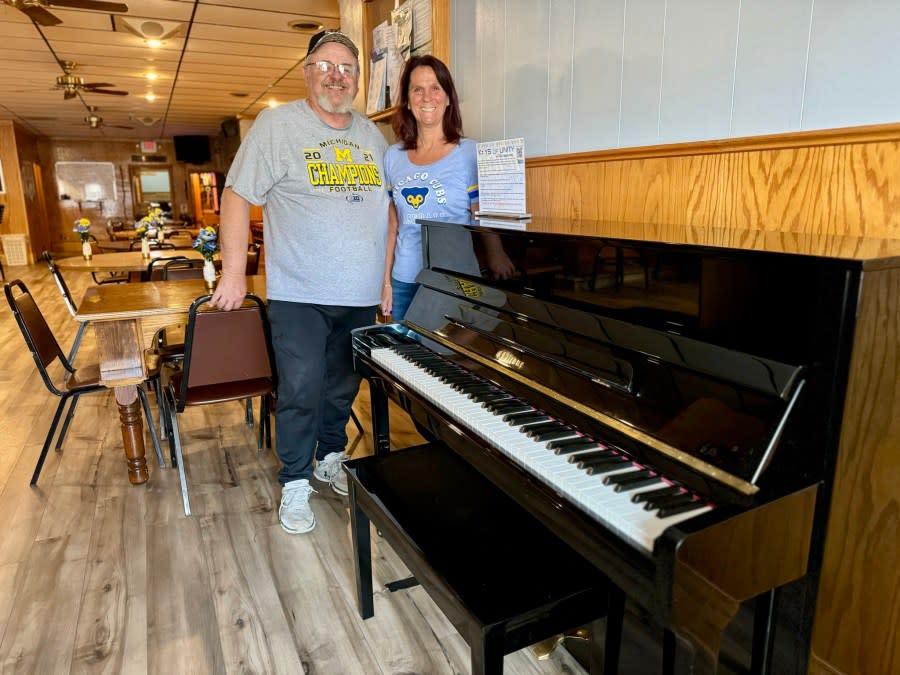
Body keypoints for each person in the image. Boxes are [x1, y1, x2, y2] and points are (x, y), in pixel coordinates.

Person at [211, 30, 390, 535]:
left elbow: (388, 212)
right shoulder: (276, 125)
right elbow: (237, 194)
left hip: (357, 295)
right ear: (307, 72)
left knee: (341, 388)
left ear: (357, 79)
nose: (337, 75)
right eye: (326, 65)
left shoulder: (372, 137)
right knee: (302, 388)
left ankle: (330, 457)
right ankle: (294, 480)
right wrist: (233, 272)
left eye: (347, 68)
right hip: (300, 294)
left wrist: (384, 281)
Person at [381, 55, 515, 321]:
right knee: (403, 360)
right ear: (407, 101)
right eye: (417, 89)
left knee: (450, 359)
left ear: (448, 97)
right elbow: (393, 226)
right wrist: (386, 282)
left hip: (455, 281)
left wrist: (496, 253)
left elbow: (481, 214)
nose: (426, 97)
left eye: (435, 88)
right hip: (405, 281)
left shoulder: (470, 153)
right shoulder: (392, 156)